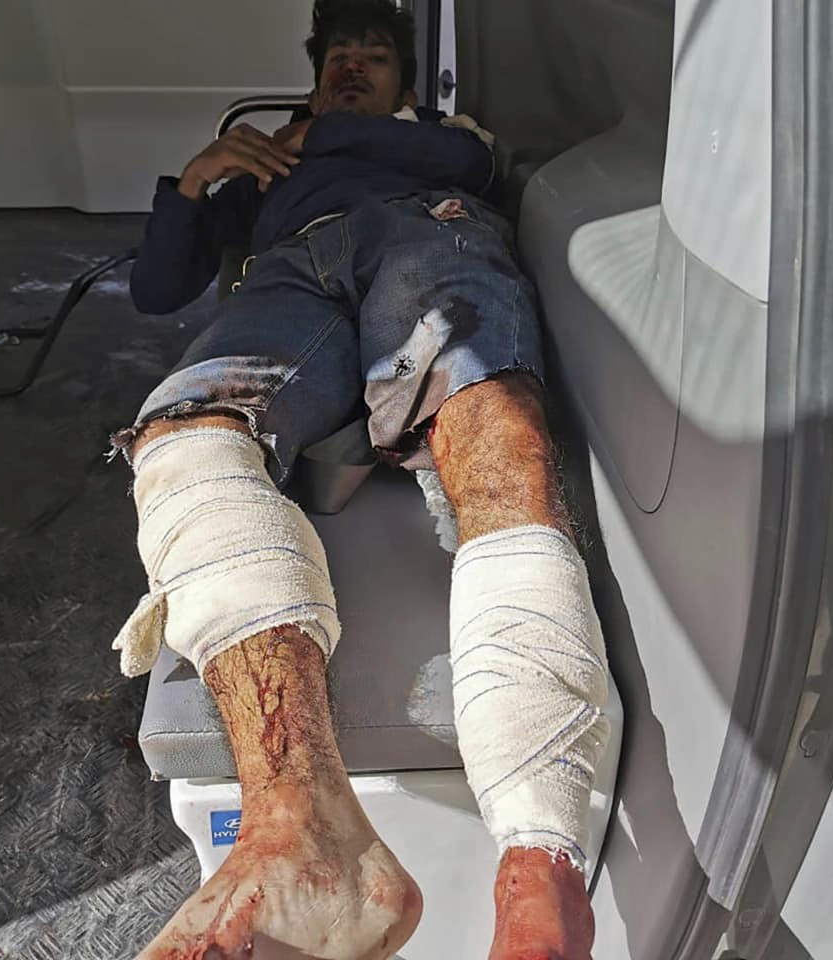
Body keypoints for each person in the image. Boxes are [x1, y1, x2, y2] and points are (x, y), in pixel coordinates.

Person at [111, 2, 611, 958]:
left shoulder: (437, 141)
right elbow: (155, 289)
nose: (352, 68)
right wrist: (198, 179)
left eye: (373, 59)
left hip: (423, 235)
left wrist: (310, 136)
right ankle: (299, 830)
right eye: (337, 57)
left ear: (407, 87)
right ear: (311, 74)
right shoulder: (267, 173)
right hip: (286, 273)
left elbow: (466, 168)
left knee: (489, 420)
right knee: (183, 438)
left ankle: (542, 872)